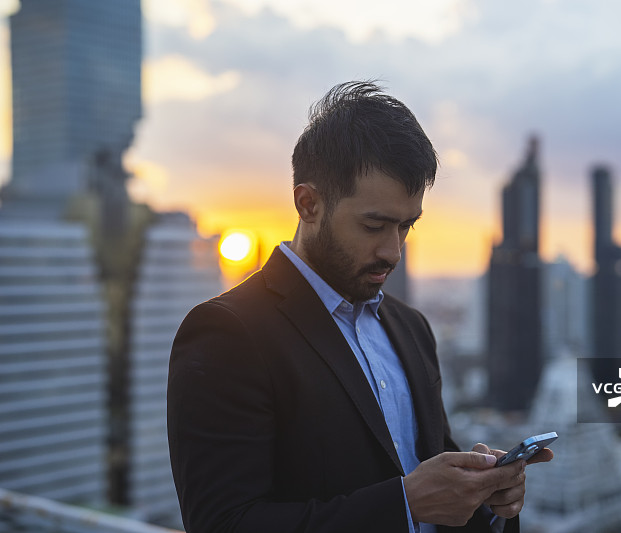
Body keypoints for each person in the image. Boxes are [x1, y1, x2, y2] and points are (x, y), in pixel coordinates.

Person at [167, 81, 553, 533]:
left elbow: (435, 493)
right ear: (308, 203)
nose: (393, 251)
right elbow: (224, 524)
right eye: (374, 225)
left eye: (406, 227)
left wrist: (484, 498)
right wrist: (404, 505)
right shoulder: (227, 333)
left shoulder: (412, 328)